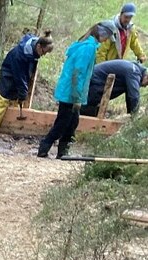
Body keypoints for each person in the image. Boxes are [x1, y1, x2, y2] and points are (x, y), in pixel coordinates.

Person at [38, 22, 115, 158]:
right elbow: (77, 73)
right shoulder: (88, 48)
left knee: (72, 123)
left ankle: (63, 152)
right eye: (107, 37)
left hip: (70, 90)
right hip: (71, 92)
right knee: (62, 123)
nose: (107, 40)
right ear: (102, 34)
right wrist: (77, 98)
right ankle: (44, 147)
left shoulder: (86, 44)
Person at [0, 32, 56, 135]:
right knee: (2, 101)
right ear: (39, 46)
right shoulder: (20, 55)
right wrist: (23, 92)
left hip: (19, 76)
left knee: (14, 102)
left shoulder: (34, 50)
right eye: (43, 52)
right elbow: (20, 77)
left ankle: (10, 128)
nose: (43, 55)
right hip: (8, 75)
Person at [83, 58, 148, 115]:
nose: (145, 86)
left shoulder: (134, 69)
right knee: (87, 110)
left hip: (95, 79)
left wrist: (131, 113)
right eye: (147, 83)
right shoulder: (134, 72)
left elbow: (130, 95)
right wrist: (134, 116)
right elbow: (134, 96)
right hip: (95, 82)